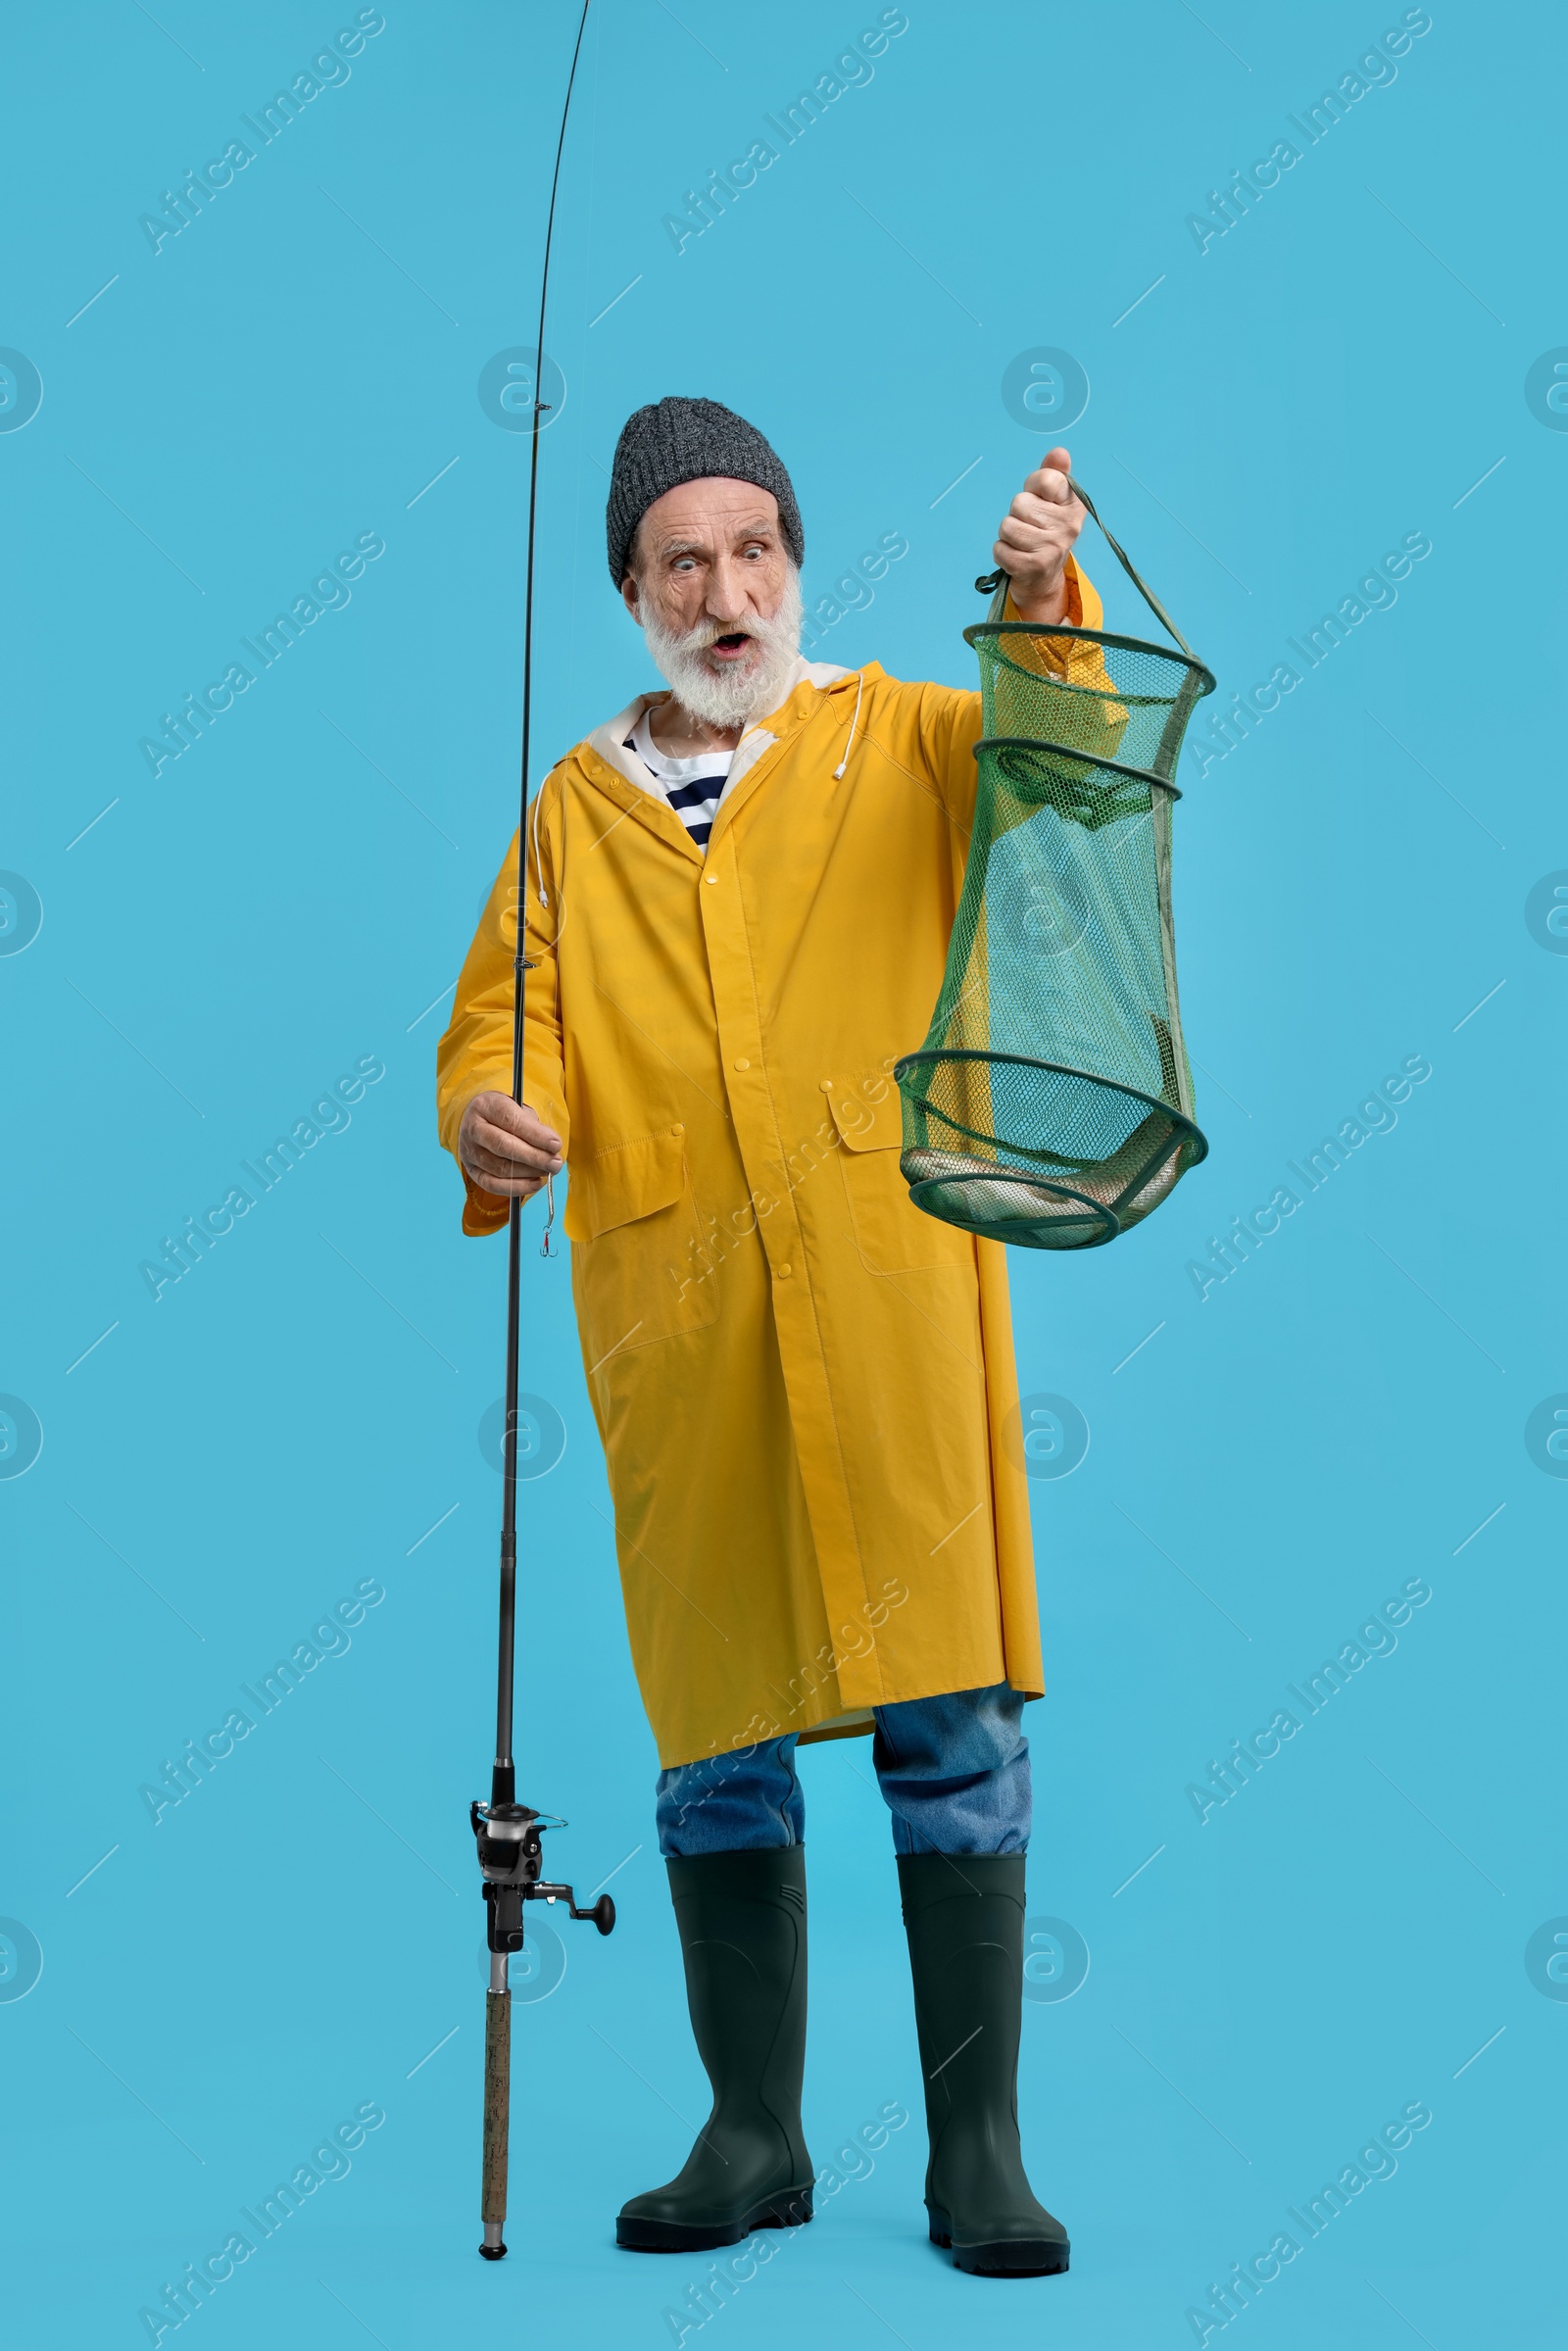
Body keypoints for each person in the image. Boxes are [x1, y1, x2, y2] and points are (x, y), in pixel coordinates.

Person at [436, 397, 1110, 2277]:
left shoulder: (896, 733)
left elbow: (1064, 767)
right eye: (684, 562)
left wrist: (1044, 601)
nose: (727, 590)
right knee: (715, 1740)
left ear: (794, 565)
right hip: (685, 1327)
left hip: (892, 1295)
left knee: (953, 1718)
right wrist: (486, 1121)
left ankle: (979, 2149)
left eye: (756, 551)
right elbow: (508, 1023)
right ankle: (754, 2135)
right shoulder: (573, 811)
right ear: (632, 594)